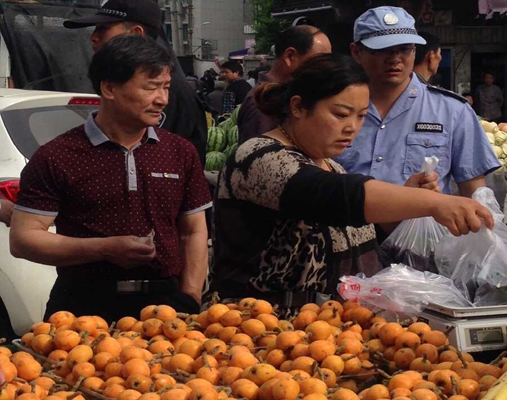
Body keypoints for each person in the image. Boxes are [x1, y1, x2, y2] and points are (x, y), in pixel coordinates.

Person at [210, 53, 494, 306]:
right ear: (298, 107)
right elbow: (331, 196)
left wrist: (407, 201)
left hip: (334, 329)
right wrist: (432, 202)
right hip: (260, 326)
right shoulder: (259, 157)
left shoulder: (332, 167)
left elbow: (358, 233)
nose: (352, 128)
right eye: (341, 114)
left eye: (361, 117)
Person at [10, 35, 212, 322]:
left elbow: (193, 231)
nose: (162, 99)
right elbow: (23, 240)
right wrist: (104, 249)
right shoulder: (56, 156)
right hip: (81, 307)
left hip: (165, 308)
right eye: (151, 87)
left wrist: (190, 296)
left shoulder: (179, 152)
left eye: (166, 87)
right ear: (109, 88)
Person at [336, 7, 499, 202]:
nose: (395, 59)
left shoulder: (453, 111)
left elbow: (474, 191)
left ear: (414, 50)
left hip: (424, 223)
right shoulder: (333, 108)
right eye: (382, 49)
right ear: (356, 52)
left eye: (404, 49)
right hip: (347, 220)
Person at [63, 0, 209, 165]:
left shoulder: (173, 97)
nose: (93, 37)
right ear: (108, 88)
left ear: (135, 34)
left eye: (103, 29)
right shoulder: (57, 157)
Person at [237, 25, 332, 145]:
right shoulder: (264, 103)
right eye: (320, 60)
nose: (327, 67)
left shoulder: (289, 94)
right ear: (289, 56)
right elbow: (262, 153)